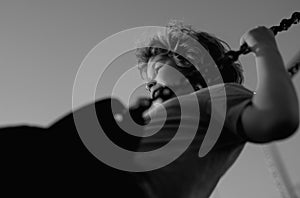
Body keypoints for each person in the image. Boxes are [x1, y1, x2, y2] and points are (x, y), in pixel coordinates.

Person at [0, 21, 299, 198]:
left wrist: (265, 47)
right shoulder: (154, 117)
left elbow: (277, 118)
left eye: (159, 73)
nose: (151, 86)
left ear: (193, 66)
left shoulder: (219, 96)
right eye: (148, 82)